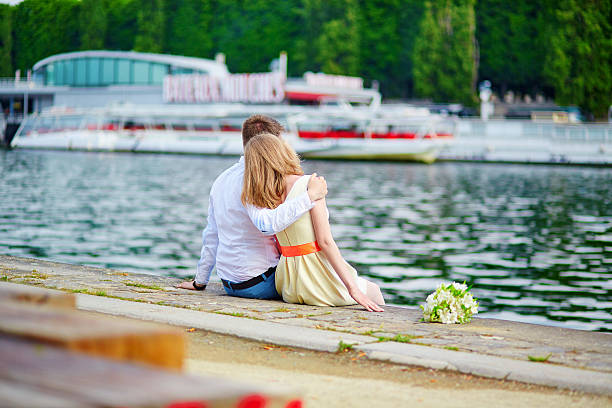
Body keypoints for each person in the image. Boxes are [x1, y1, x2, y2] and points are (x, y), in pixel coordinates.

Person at [177, 115, 328, 299]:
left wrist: (200, 280)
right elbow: (266, 225)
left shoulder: (222, 179)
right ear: (269, 146)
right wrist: (309, 197)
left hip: (229, 283)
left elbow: (211, 235)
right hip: (260, 283)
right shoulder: (254, 180)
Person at [242, 133, 385, 312]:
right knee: (374, 291)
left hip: (288, 283)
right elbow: (325, 242)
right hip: (316, 278)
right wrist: (353, 289)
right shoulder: (310, 184)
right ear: (281, 153)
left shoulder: (262, 196)